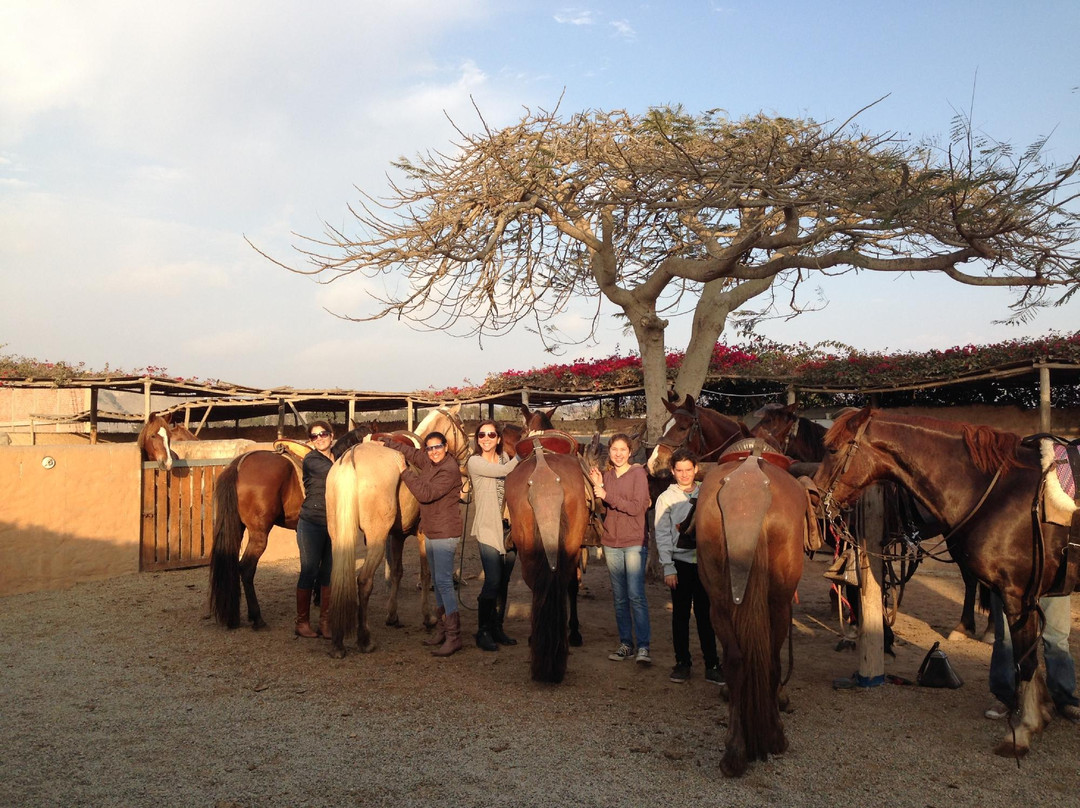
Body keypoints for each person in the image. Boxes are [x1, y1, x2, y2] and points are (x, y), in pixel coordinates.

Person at [380, 430, 465, 657]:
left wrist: (403, 471)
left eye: (438, 447)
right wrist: (389, 443)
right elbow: (412, 452)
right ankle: (441, 629)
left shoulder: (449, 469)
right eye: (430, 448)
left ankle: (453, 635)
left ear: (446, 447)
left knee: (444, 583)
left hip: (445, 533)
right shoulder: (428, 460)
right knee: (437, 582)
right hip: (430, 530)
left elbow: (425, 494)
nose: (434, 452)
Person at [653, 448, 723, 685]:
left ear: (696, 469)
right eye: (679, 470)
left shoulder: (708, 493)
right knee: (680, 616)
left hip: (704, 565)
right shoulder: (666, 498)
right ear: (673, 471)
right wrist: (668, 567)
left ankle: (712, 663)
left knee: (706, 615)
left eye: (688, 469)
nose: (684, 475)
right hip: (680, 564)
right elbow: (662, 534)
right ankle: (682, 662)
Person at [589, 433, 652, 664]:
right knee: (619, 598)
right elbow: (604, 505)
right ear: (610, 451)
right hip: (611, 542)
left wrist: (606, 494)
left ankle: (644, 646)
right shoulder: (608, 476)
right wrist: (598, 485)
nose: (618, 453)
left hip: (634, 541)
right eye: (614, 449)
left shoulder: (638, 475)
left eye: (622, 449)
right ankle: (626, 643)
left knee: (635, 595)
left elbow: (637, 508)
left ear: (630, 451)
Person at [466, 421, 520, 651]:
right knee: (493, 580)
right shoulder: (475, 462)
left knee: (504, 582)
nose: (486, 438)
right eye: (481, 435)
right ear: (477, 439)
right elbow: (503, 473)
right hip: (488, 528)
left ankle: (497, 627)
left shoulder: (505, 459)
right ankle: (483, 630)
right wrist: (526, 451)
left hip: (509, 529)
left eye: (491, 434)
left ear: (498, 439)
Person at [985, 592, 1080, 722]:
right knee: (1005, 638)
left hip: (1053, 580)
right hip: (1008, 578)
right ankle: (1004, 696)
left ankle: (1063, 698)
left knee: (1057, 637)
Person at [294, 420, 335, 639]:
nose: (319, 438)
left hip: (333, 525)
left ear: (331, 435)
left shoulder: (338, 456)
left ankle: (325, 622)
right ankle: (301, 622)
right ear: (310, 441)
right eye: (314, 436)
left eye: (323, 434)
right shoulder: (312, 460)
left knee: (328, 573)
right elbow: (336, 472)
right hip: (311, 523)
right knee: (309, 570)